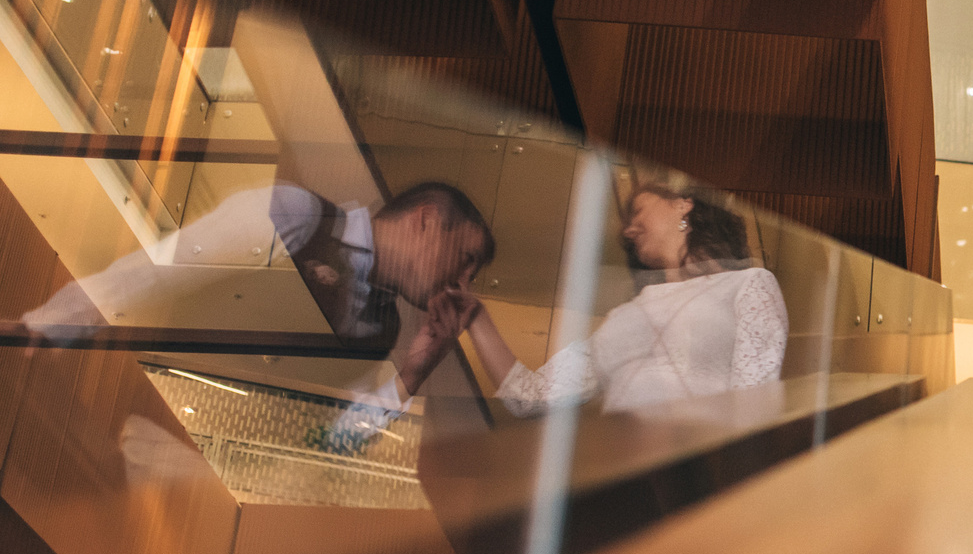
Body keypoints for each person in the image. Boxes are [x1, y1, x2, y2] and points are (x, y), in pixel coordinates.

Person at [24, 178, 492, 416]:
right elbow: (155, 274)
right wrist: (39, 333)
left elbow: (328, 441)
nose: (464, 282)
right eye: (466, 257)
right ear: (426, 220)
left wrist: (412, 373)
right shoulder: (299, 213)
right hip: (111, 395)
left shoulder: (380, 329)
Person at [464, 183, 786, 415]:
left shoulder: (748, 283)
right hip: (620, 480)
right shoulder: (623, 316)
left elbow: (753, 404)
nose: (629, 231)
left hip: (697, 477)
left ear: (682, 204)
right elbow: (529, 398)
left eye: (638, 212)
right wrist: (474, 314)